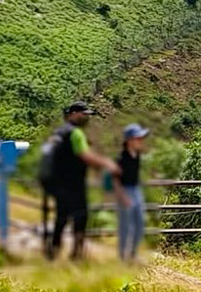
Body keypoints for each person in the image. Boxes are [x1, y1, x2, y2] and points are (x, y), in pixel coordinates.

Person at [47, 102, 119, 261]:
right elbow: (85, 156)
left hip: (59, 182)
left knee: (61, 217)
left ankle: (53, 252)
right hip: (74, 183)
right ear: (72, 113)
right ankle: (77, 255)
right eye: (83, 114)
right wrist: (107, 164)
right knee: (81, 217)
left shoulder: (58, 133)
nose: (86, 117)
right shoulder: (75, 133)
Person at [114, 123, 149, 263]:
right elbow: (115, 180)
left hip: (136, 190)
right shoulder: (121, 159)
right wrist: (122, 196)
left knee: (140, 224)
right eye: (138, 138)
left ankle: (133, 254)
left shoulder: (137, 155)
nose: (141, 141)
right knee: (125, 226)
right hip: (125, 190)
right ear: (129, 140)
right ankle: (123, 257)